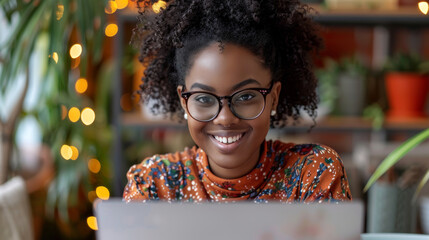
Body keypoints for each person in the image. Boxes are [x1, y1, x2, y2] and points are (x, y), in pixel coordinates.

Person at [123, 0, 352, 203]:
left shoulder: (313, 173)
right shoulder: (153, 185)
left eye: (245, 97)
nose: (225, 118)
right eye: (204, 98)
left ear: (273, 98)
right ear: (184, 103)